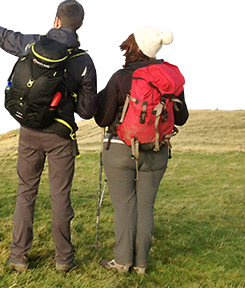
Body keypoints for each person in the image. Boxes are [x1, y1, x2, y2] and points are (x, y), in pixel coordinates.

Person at [0, 0, 98, 273]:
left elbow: (10, 39)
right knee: (60, 197)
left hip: (29, 131)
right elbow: (87, 111)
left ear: (55, 20)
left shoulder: (33, 44)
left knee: (25, 193)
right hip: (60, 136)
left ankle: (18, 256)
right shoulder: (84, 62)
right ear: (80, 26)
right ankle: (64, 260)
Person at [94, 27, 189, 275]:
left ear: (134, 47)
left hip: (120, 149)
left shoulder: (121, 77)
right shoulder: (170, 77)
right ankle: (141, 264)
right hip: (157, 150)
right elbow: (182, 118)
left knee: (125, 206)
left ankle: (122, 261)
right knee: (146, 207)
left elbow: (102, 119)